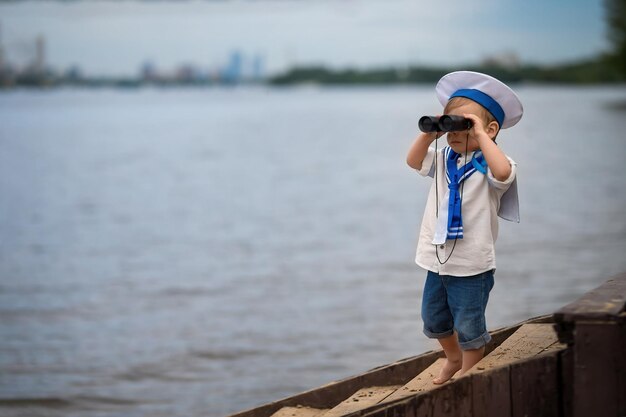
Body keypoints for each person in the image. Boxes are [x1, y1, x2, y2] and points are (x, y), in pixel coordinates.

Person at [406, 71, 523, 384]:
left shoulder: (493, 163)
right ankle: (453, 357)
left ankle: (469, 375)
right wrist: (430, 131)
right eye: (450, 126)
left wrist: (481, 135)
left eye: (463, 126)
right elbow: (413, 161)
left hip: (472, 265)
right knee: (434, 319)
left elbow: (502, 172)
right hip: (437, 258)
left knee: (470, 326)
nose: (453, 134)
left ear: (492, 129)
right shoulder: (444, 158)